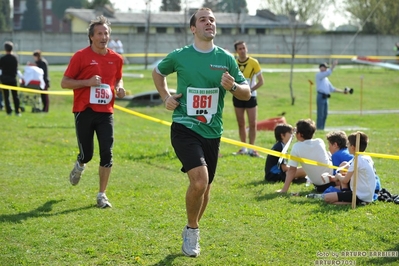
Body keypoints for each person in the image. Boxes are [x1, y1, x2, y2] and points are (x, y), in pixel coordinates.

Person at [152, 8, 250, 258]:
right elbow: (158, 72)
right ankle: (193, 230)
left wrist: (234, 86)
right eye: (203, 19)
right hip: (184, 127)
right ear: (193, 28)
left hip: (212, 132)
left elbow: (246, 92)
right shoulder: (180, 56)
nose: (209, 22)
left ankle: (191, 227)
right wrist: (166, 97)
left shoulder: (226, 58)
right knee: (199, 181)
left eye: (212, 19)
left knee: (205, 188)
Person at [61, 15, 126, 208]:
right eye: (99, 33)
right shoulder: (80, 56)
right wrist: (87, 83)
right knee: (87, 153)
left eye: (106, 33)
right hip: (84, 110)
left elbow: (118, 79)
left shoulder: (116, 59)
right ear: (91, 37)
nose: (104, 36)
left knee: (107, 152)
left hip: (106, 111)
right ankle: (80, 164)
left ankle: (101, 195)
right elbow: (65, 82)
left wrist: (119, 87)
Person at [277, 119, 334, 193]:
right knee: (329, 154)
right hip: (332, 179)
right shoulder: (319, 141)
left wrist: (284, 189)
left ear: (300, 134)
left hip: (320, 186)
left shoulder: (296, 147)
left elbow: (292, 170)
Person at [323, 132, 376, 205]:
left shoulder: (357, 160)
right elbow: (348, 166)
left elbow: (345, 180)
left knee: (327, 198)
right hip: (368, 194)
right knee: (344, 166)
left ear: (353, 147)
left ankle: (357, 202)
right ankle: (348, 198)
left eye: (348, 144)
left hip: (359, 195)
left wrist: (337, 176)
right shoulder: (366, 157)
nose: (347, 146)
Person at [233, 41, 264, 157]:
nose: (242, 50)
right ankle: (243, 148)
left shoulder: (253, 62)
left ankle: (252, 149)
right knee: (241, 123)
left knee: (252, 123)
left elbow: (261, 81)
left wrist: (249, 90)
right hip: (237, 96)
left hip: (251, 97)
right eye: (240, 49)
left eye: (244, 48)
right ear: (236, 51)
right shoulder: (233, 63)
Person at [315, 60, 348, 130]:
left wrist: (342, 91)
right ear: (320, 68)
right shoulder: (319, 75)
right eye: (324, 67)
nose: (326, 68)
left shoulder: (326, 79)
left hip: (326, 98)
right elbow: (329, 73)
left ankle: (322, 128)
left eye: (326, 67)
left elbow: (332, 89)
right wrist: (334, 65)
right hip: (320, 96)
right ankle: (319, 128)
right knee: (320, 114)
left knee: (325, 114)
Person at [0, 41, 21, 116]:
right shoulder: (15, 58)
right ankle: (17, 111)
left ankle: (8, 111)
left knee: (6, 96)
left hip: (4, 79)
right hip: (13, 78)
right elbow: (16, 68)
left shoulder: (2, 58)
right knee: (15, 96)